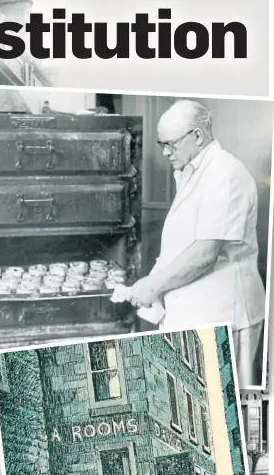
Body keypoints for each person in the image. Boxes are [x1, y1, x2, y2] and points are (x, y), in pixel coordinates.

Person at [111, 99, 265, 386]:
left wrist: (152, 285)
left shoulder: (225, 174)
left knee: (224, 410)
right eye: (161, 144)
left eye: (171, 144)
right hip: (196, 308)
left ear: (197, 136)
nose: (166, 152)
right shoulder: (192, 169)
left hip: (224, 311)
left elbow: (205, 253)